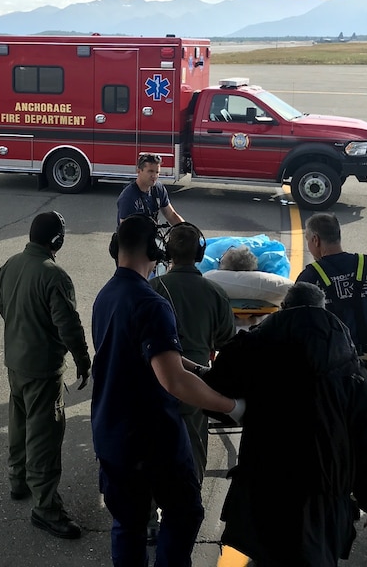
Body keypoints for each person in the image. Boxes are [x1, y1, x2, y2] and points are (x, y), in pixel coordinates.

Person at [202, 282, 367, 567]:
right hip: (323, 504)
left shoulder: (253, 347)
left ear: (284, 309)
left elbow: (214, 391)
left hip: (264, 494)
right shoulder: (350, 365)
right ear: (323, 310)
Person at [91, 214, 244, 567]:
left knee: (128, 524)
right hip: (151, 437)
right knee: (185, 512)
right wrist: (231, 406)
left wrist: (197, 369)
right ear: (154, 250)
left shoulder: (107, 295)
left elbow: (148, 355)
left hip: (111, 431)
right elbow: (172, 380)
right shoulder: (152, 304)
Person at [295, 213, 367, 557]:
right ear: (338, 236)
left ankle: (344, 514)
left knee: (338, 444)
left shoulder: (312, 276)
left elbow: (300, 328)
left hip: (338, 376)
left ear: (315, 241)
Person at [0, 211, 92, 539]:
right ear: (57, 240)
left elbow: (3, 307)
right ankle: (47, 508)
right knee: (45, 437)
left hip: (15, 361)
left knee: (19, 422)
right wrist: (82, 359)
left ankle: (17, 480)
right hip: (42, 368)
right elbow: (68, 325)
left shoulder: (10, 265)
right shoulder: (55, 276)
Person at [150, 222, 236, 482]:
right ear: (199, 255)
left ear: (167, 253)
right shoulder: (215, 293)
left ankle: (152, 518)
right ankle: (188, 512)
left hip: (156, 383)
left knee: (153, 452)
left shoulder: (152, 290)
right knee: (193, 456)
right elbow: (227, 342)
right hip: (195, 388)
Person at [116, 152, 184, 226]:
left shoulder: (158, 188)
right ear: (139, 171)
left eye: (157, 172)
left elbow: (171, 215)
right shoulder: (128, 197)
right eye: (150, 171)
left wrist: (189, 232)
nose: (154, 176)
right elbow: (125, 231)